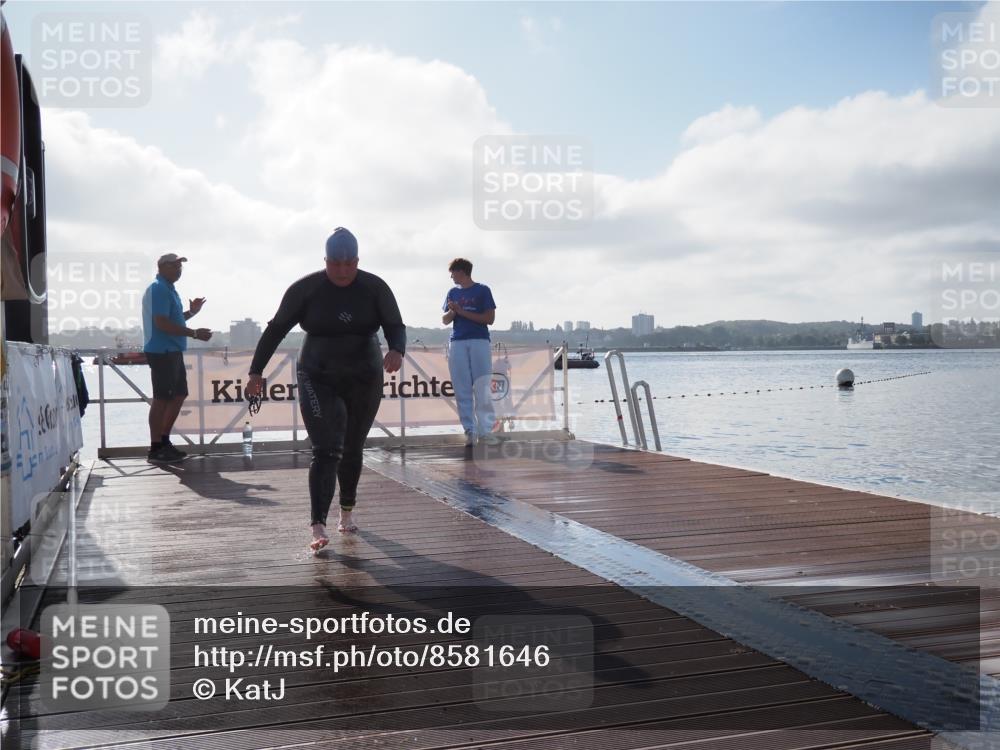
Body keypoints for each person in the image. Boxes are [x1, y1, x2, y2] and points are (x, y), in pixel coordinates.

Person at [245, 228, 404, 553]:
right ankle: (318, 523)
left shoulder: (375, 287)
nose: (342, 271)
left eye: (349, 264)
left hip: (364, 373)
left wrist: (397, 350)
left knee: (353, 447)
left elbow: (395, 325)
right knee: (326, 448)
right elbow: (275, 330)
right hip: (317, 374)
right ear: (325, 261)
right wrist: (256, 371)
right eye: (335, 264)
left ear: (357, 261)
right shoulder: (306, 289)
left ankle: (346, 512)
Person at [141, 253, 212, 463]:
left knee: (179, 395)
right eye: (174, 266)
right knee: (162, 398)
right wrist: (194, 333)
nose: (178, 270)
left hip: (172, 350)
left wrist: (191, 312)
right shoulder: (159, 289)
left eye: (180, 266)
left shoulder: (169, 289)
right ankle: (155, 447)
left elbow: (174, 319)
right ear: (161, 267)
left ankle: (164, 441)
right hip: (161, 351)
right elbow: (162, 323)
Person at [442, 258, 497, 446]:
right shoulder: (452, 292)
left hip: (479, 340)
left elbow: (489, 318)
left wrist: (461, 311)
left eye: (453, 272)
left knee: (482, 386)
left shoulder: (483, 290)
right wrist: (453, 312)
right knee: (461, 388)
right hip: (457, 341)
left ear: (461, 271)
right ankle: (470, 431)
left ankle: (485, 431)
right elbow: (445, 320)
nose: (451, 276)